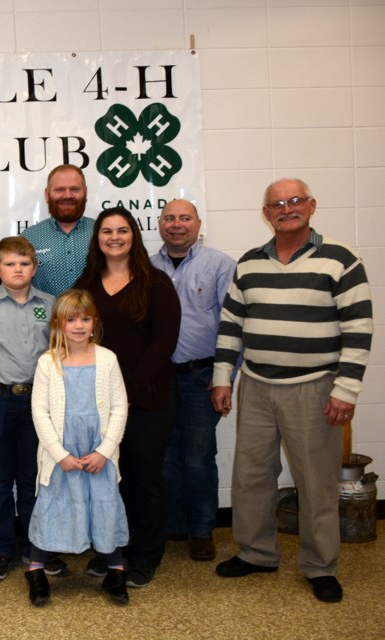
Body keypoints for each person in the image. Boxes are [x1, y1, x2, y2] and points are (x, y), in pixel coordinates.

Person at [211, 179, 373, 604]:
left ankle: (321, 566)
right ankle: (256, 552)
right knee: (250, 477)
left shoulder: (341, 260)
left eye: (295, 201)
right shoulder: (248, 264)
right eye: (277, 204)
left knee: (315, 482)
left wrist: (346, 390)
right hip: (258, 387)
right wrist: (223, 377)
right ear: (266, 213)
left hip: (315, 389)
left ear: (312, 206)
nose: (286, 209)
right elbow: (230, 326)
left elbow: (358, 329)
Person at [76, 207, 181, 589]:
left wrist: (132, 388)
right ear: (97, 238)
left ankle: (146, 555)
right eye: (106, 231)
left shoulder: (155, 283)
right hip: (100, 402)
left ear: (134, 235)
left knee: (143, 478)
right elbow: (76, 337)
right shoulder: (86, 283)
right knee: (109, 480)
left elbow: (164, 342)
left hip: (147, 398)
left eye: (122, 230)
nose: (114, 237)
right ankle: (112, 549)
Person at [26, 290, 130, 607]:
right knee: (52, 505)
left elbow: (119, 408)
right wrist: (60, 455)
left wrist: (105, 450)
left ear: (94, 322)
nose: (79, 326)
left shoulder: (108, 359)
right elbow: (40, 412)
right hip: (62, 453)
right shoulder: (48, 362)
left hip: (98, 452)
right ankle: (35, 570)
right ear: (59, 324)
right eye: (71, 319)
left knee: (104, 505)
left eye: (85, 319)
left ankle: (116, 571)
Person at [150, 199, 236, 561]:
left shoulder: (219, 265)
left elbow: (234, 325)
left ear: (198, 223)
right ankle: (174, 524)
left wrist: (224, 378)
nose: (176, 224)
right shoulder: (147, 266)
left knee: (199, 456)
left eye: (185, 218)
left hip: (203, 375)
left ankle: (202, 529)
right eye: (169, 218)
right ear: (159, 224)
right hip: (160, 377)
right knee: (166, 455)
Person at [0, 236, 55, 582]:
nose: (17, 270)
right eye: (9, 264)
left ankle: (36, 547)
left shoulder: (49, 305)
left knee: (33, 478)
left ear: (34, 268)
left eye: (24, 264)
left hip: (38, 402)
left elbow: (57, 353)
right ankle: (1, 549)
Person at [21, 164, 95, 297]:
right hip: (45, 317)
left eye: (75, 189)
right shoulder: (29, 237)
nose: (68, 195)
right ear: (47, 194)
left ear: (85, 192)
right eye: (60, 190)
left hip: (96, 317)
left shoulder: (102, 232)